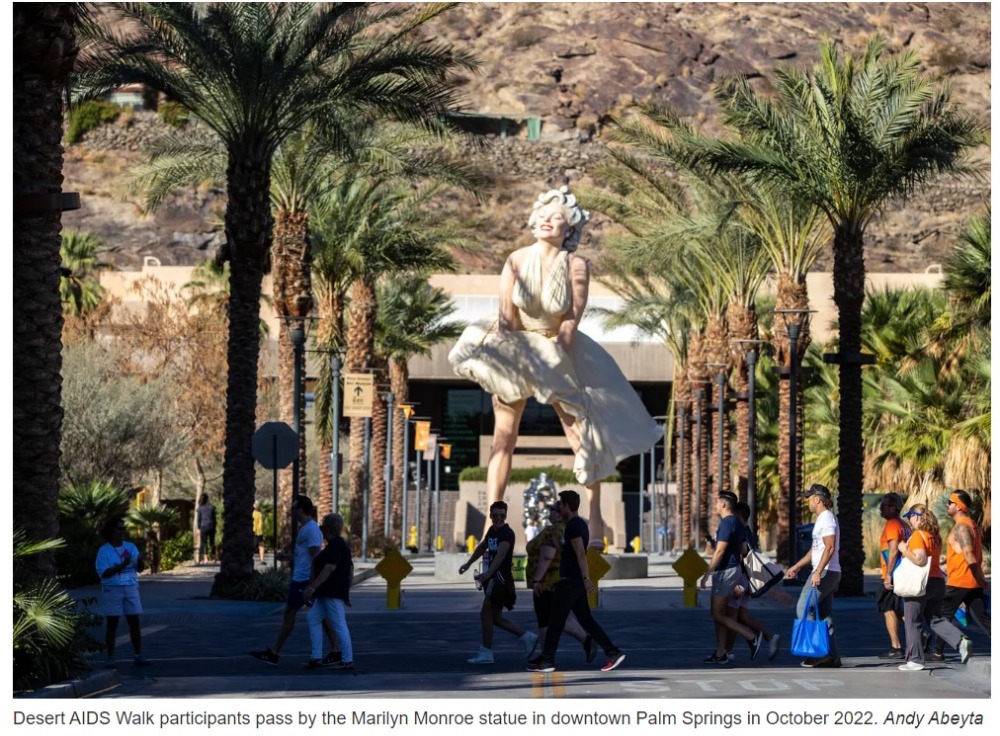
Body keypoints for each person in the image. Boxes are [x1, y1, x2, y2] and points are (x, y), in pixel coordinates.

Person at [449, 186, 662, 543]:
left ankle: (593, 522)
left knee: (581, 434)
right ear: (534, 220)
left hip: (559, 349)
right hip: (516, 346)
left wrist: (552, 364)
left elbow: (569, 322)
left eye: (558, 218)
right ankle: (493, 523)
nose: (549, 220)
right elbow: (506, 320)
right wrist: (518, 360)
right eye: (545, 214)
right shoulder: (516, 260)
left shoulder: (577, 265)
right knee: (503, 437)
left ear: (570, 229)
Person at [526, 490, 626, 673]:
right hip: (573, 581)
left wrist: (586, 578)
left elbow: (580, 552)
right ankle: (613, 652)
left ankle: (547, 661)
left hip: (570, 581)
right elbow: (572, 551)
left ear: (567, 506)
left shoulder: (574, 525)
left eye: (560, 505)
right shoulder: (576, 524)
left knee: (555, 621)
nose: (559, 507)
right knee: (586, 620)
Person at [250, 496, 341, 666]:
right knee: (320, 615)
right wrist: (289, 557)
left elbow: (316, 554)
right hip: (302, 577)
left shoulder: (311, 529)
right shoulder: (306, 528)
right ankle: (335, 649)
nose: (292, 511)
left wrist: (313, 582)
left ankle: (274, 652)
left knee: (291, 613)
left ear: (301, 510)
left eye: (294, 508)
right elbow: (306, 554)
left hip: (303, 580)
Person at [459, 501, 538, 664]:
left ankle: (487, 653)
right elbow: (482, 547)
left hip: (500, 580)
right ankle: (526, 637)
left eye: (502, 515)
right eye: (495, 515)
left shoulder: (507, 533)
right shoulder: (492, 531)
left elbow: (501, 555)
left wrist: (487, 574)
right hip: (494, 579)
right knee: (494, 617)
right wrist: (468, 564)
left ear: (506, 515)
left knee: (486, 613)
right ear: (490, 516)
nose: (498, 518)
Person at [525, 499, 596, 663]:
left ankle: (547, 657)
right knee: (560, 617)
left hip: (548, 582)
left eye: (552, 509)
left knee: (545, 619)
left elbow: (546, 556)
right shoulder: (569, 529)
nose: (549, 511)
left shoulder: (552, 531)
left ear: (559, 513)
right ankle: (585, 641)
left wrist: (537, 580)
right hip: (564, 580)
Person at [699, 492, 763, 664]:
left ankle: (751, 636)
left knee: (717, 614)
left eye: (717, 502)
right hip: (734, 569)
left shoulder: (727, 523)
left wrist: (707, 574)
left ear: (724, 505)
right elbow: (743, 550)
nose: (715, 505)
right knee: (722, 614)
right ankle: (721, 653)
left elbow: (719, 551)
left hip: (724, 571)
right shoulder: (737, 523)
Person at [929, 490, 990, 663]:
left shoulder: (962, 526)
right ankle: (937, 652)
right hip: (969, 581)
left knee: (940, 617)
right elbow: (961, 552)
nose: (947, 505)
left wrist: (980, 578)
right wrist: (945, 561)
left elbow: (969, 555)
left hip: (960, 581)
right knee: (982, 618)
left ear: (958, 506)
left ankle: (938, 653)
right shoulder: (970, 524)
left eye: (950, 502)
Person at [786, 483, 841, 668]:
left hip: (825, 572)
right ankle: (831, 656)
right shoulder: (823, 519)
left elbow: (830, 547)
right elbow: (816, 548)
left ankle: (818, 653)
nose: (807, 502)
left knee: (803, 608)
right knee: (824, 615)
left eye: (809, 498)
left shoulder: (826, 519)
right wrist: (798, 566)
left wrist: (817, 572)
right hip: (829, 572)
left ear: (817, 499)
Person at [723, 501, 780, 662]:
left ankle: (736, 647)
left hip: (739, 579)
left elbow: (741, 553)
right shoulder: (747, 531)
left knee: (732, 616)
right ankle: (769, 637)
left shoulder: (741, 531)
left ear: (738, 515)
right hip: (745, 579)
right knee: (741, 615)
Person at [95, 516, 151, 667]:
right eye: (119, 528)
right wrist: (122, 565)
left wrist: (140, 560)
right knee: (112, 623)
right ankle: (110, 657)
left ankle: (138, 655)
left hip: (131, 588)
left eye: (124, 528)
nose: (123, 531)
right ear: (111, 531)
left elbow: (139, 569)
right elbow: (104, 573)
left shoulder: (131, 547)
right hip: (112, 589)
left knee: (134, 622)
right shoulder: (104, 551)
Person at [896, 503, 944, 671]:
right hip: (937, 580)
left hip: (920, 583)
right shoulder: (935, 535)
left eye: (910, 517)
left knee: (912, 621)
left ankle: (915, 659)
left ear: (916, 517)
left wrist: (903, 548)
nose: (909, 521)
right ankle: (961, 641)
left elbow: (920, 560)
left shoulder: (918, 535)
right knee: (935, 620)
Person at [302, 514, 354, 671]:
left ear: (328, 529)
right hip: (326, 593)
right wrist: (347, 591)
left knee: (339, 624)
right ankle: (316, 657)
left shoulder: (336, 546)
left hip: (331, 592)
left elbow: (329, 568)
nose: (321, 531)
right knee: (312, 618)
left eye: (322, 528)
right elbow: (350, 568)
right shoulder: (335, 545)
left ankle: (347, 660)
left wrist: (312, 587)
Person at [876, 491, 909, 660]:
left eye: (885, 505)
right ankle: (920, 633)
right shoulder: (904, 525)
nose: (881, 508)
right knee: (895, 608)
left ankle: (896, 647)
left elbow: (893, 550)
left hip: (893, 574)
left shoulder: (892, 524)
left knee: (888, 609)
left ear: (894, 508)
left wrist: (888, 575)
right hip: (901, 572)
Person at [196, 493, 217, 564]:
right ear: (207, 499)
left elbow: (199, 519)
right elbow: (214, 519)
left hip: (203, 526)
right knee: (212, 542)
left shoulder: (200, 508)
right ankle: (214, 558)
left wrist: (198, 528)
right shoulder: (212, 507)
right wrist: (215, 527)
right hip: (211, 526)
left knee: (204, 543)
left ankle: (206, 559)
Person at [252, 500, 266, 565]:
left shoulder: (252, 513)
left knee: (258, 545)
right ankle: (262, 559)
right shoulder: (259, 514)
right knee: (261, 545)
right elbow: (261, 524)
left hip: (253, 531)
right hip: (258, 532)